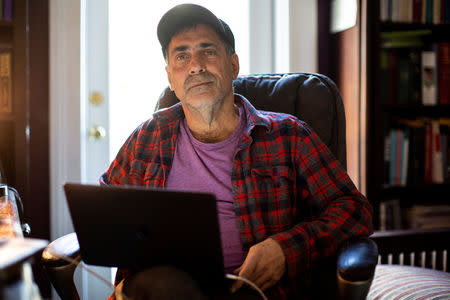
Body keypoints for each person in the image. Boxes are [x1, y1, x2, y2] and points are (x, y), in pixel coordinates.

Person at [100, 3, 373, 300]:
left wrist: (287, 248)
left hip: (252, 292)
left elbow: (354, 211)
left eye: (208, 51)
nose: (195, 65)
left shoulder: (288, 135)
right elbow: (105, 210)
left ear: (233, 65)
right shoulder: (146, 137)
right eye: (182, 56)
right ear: (171, 78)